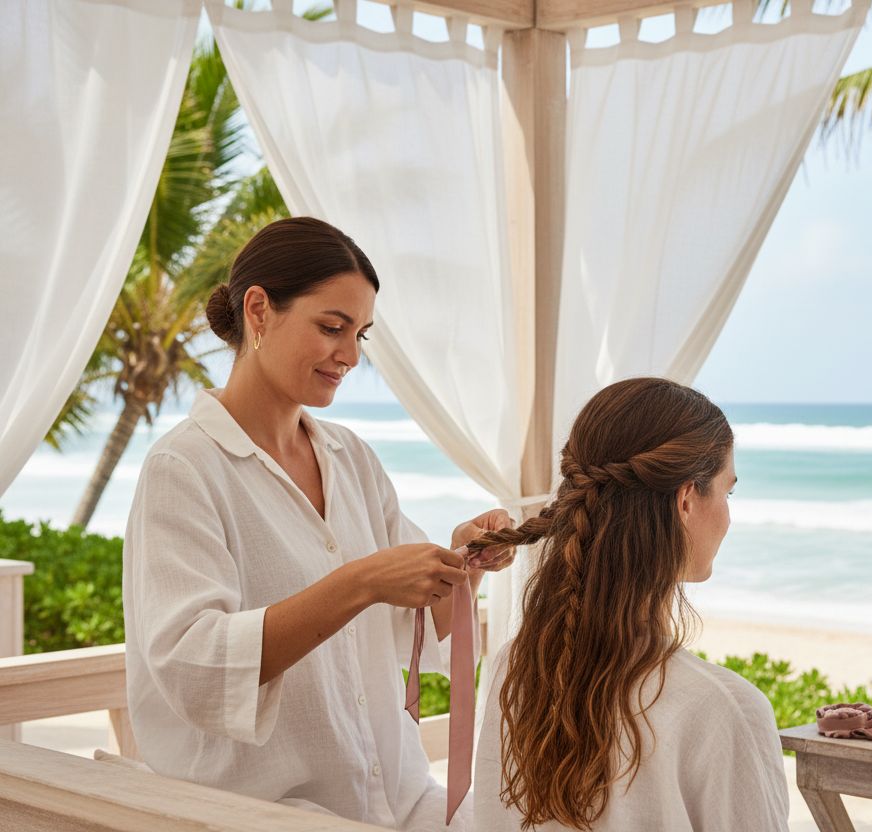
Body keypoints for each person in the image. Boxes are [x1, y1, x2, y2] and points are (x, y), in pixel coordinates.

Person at [122, 216, 511, 829]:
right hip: (261, 812)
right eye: (332, 327)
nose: (351, 355)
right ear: (258, 311)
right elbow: (191, 665)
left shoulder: (350, 457)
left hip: (399, 798)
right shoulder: (185, 468)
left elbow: (417, 617)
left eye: (361, 334)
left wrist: (462, 564)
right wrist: (358, 582)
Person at [472, 377, 788, 831]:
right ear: (685, 501)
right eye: (727, 492)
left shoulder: (517, 667)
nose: (728, 515)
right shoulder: (723, 711)